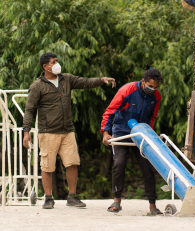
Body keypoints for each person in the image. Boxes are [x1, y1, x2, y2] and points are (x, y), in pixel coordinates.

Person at [22, 52, 116, 209]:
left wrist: (101, 80)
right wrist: (26, 132)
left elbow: (85, 82)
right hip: (48, 131)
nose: (57, 64)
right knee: (47, 165)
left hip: (67, 131)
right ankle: (48, 198)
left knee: (72, 163)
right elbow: (29, 109)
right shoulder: (37, 85)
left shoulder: (67, 79)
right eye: (54, 62)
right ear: (45, 66)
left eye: (57, 60)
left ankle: (72, 197)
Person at [100, 65, 163, 215]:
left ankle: (153, 206)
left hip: (141, 133)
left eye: (155, 87)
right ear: (143, 81)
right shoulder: (127, 90)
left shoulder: (156, 96)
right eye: (149, 86)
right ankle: (116, 201)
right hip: (122, 132)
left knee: (148, 167)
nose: (152, 89)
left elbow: (152, 117)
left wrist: (150, 133)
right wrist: (105, 133)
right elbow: (110, 112)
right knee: (119, 163)